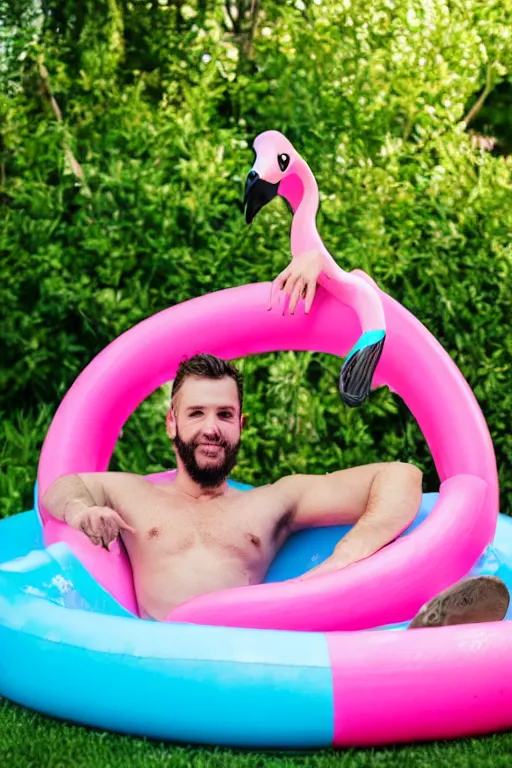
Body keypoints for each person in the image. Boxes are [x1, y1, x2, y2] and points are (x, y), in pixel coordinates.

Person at [42, 353, 510, 625]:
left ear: (241, 426)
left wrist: (342, 561)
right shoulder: (131, 494)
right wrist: (83, 511)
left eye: (224, 415)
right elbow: (61, 487)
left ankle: (422, 630)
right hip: (171, 643)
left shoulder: (269, 503)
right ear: (172, 423)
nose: (211, 429)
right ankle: (421, 633)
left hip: (262, 638)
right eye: (197, 413)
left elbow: (401, 476)